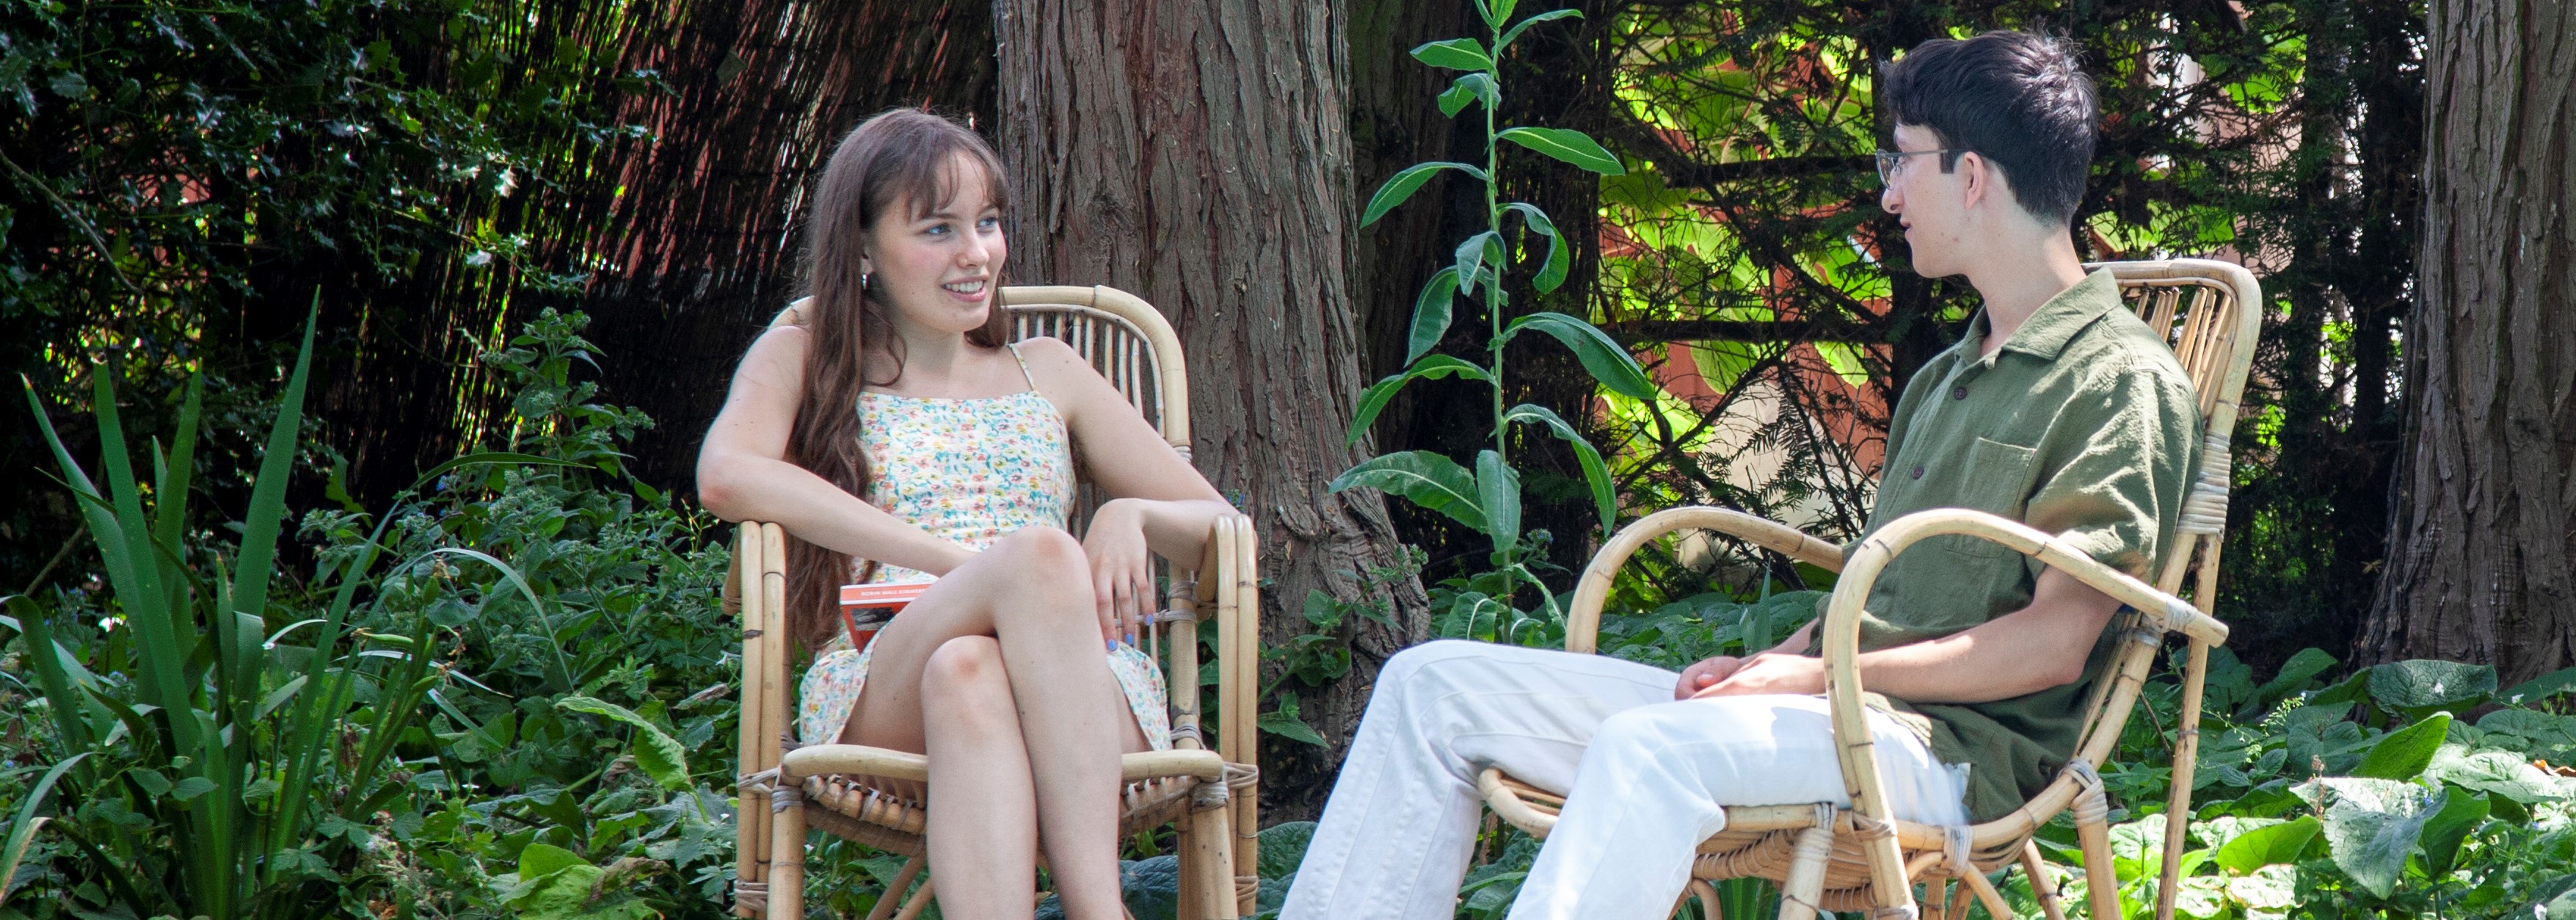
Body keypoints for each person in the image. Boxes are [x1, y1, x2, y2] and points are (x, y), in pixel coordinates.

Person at [1283, 30, 2197, 920]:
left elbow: (2051, 645)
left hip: (1942, 753)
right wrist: (1781, 660)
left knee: (1650, 748)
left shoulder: (2118, 380)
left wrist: (1811, 681)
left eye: (1900, 161)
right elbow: (1886, 597)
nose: (1887, 196)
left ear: (1970, 175)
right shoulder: (1948, 373)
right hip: (1831, 709)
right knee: (1428, 684)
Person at [696, 108, 1242, 920]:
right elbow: (727, 476)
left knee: (971, 670)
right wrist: (969, 568)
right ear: (861, 247)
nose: (976, 252)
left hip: (1082, 687)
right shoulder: (804, 356)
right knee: (1033, 563)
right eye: (938, 228)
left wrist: (1128, 512)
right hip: (886, 674)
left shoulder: (1048, 370)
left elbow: (1224, 530)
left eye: (986, 222)